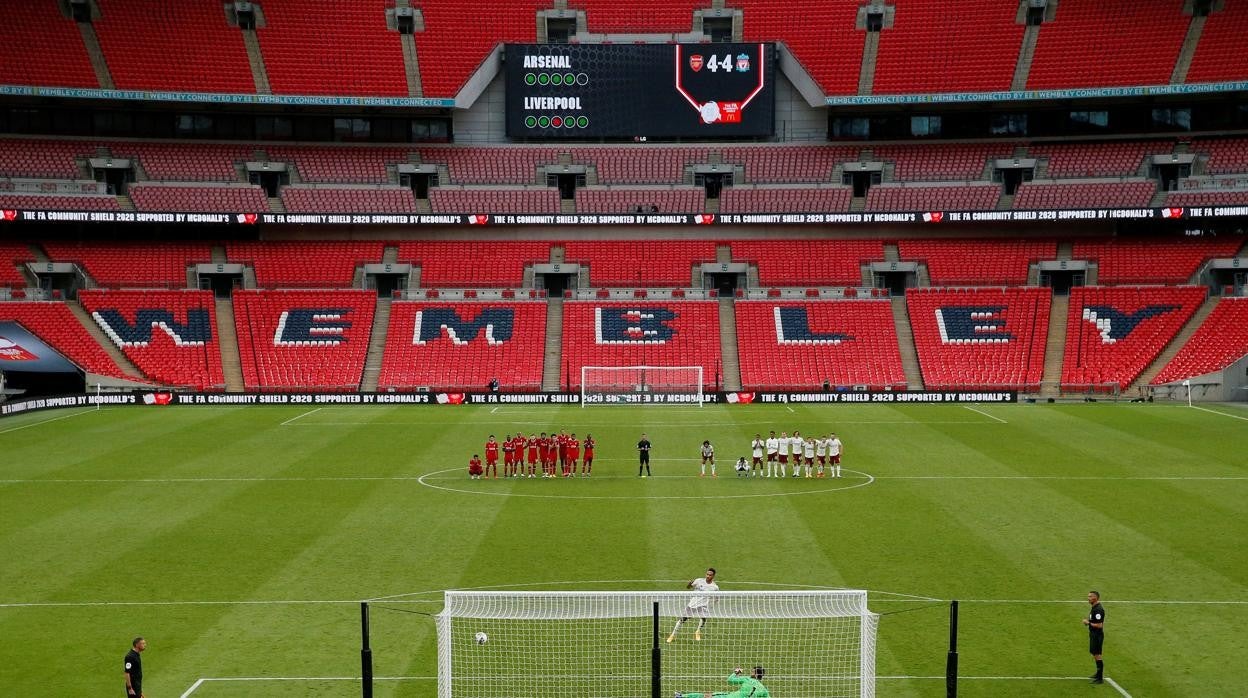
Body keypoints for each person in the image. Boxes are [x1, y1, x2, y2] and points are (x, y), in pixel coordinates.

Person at [667, 567, 719, 642]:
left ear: (713, 576)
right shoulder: (699, 581)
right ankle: (672, 635)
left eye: (710, 575)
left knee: (704, 619)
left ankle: (697, 632)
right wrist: (689, 584)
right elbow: (688, 587)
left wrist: (712, 604)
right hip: (693, 604)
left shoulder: (715, 587)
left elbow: (716, 598)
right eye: (707, 574)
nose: (708, 576)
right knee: (683, 619)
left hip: (703, 606)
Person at [675, 666, 770, 698]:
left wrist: (736, 672)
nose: (751, 673)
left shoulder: (747, 679)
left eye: (752, 672)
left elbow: (730, 680)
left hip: (729, 697)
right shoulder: (764, 690)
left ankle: (681, 696)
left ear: (757, 675)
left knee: (706, 696)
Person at [1084, 590, 1106, 684]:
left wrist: (1088, 623)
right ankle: (1098, 674)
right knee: (1094, 654)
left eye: (1090, 597)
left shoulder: (1098, 610)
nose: (1088, 598)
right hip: (1093, 634)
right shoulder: (1094, 607)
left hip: (1097, 635)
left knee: (1097, 655)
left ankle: (1100, 678)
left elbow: (1100, 625)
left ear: (1095, 598)